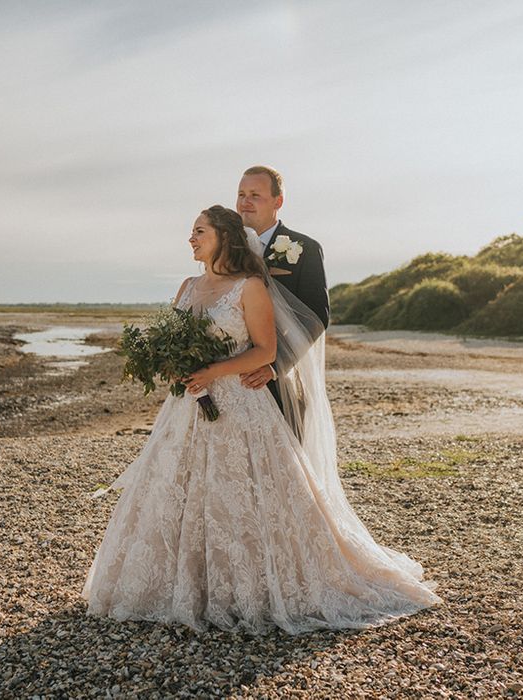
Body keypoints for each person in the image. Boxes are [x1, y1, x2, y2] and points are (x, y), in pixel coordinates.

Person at [81, 205, 440, 634]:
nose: (191, 239)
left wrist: (212, 371)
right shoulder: (188, 286)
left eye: (199, 231)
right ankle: (181, 585)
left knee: (246, 494)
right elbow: (173, 339)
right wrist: (175, 365)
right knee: (176, 490)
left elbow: (265, 352)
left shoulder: (250, 288)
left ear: (223, 237)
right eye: (191, 233)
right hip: (188, 404)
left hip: (240, 402)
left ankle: (251, 587)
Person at [236, 166, 329, 414]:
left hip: (279, 378)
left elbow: (317, 317)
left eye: (255, 195)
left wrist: (275, 367)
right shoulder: (225, 248)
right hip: (227, 374)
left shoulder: (304, 249)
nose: (245, 202)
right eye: (241, 194)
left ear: (278, 201)